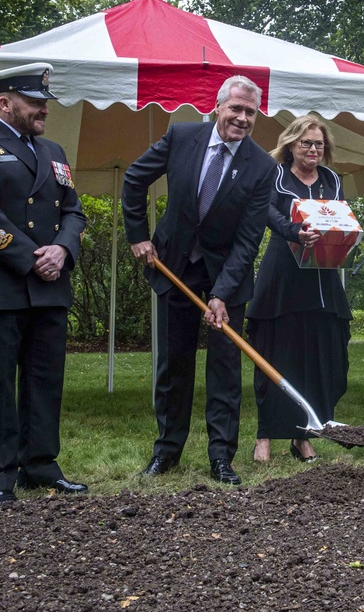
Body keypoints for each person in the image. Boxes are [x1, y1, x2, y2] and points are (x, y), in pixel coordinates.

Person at [0, 62, 87, 506]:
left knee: (45, 381)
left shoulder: (55, 152)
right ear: (5, 103)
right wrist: (32, 258)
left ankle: (40, 465)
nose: (43, 108)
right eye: (34, 101)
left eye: (44, 101)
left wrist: (62, 250)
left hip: (49, 285)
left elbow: (74, 211)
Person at [122, 75, 276, 485]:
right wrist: (137, 234)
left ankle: (221, 456)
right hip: (175, 265)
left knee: (225, 366)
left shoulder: (262, 167)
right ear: (218, 106)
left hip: (228, 272)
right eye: (236, 109)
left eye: (251, 113)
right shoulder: (182, 137)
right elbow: (135, 179)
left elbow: (248, 240)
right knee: (175, 361)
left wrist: (222, 294)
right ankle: (167, 451)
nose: (242, 119)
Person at [246, 115, 353, 463]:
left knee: (323, 356)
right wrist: (294, 231)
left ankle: (304, 435)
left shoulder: (332, 180)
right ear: (291, 144)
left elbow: (339, 217)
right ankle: (265, 434)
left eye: (319, 144)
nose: (313, 149)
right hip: (283, 279)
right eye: (306, 142)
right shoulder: (274, 175)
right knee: (276, 355)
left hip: (322, 279)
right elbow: (268, 214)